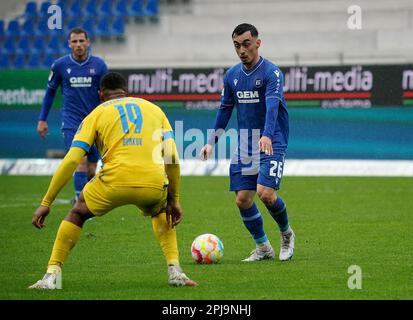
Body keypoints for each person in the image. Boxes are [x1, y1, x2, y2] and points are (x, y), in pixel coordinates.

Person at [29, 72, 197, 289]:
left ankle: (52, 275)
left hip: (113, 182)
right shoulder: (155, 110)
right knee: (161, 210)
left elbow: (72, 160)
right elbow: (172, 159)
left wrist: (46, 203)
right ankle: (175, 271)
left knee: (78, 212)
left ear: (101, 94)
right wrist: (174, 200)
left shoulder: (96, 114)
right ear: (126, 92)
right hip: (152, 182)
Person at [200, 23, 295, 262]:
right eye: (236, 46)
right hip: (246, 143)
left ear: (257, 43)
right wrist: (211, 141)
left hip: (272, 140)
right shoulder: (232, 75)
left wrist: (266, 134)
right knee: (242, 199)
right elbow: (225, 110)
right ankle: (263, 247)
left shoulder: (271, 73)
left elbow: (273, 106)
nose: (241, 50)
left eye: (246, 44)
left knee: (265, 194)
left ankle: (286, 234)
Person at [37, 27, 108, 204]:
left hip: (95, 122)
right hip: (72, 122)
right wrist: (42, 119)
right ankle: (81, 202)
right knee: (80, 162)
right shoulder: (60, 66)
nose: (78, 45)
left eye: (81, 41)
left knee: (92, 168)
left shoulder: (99, 66)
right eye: (74, 42)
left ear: (88, 42)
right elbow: (50, 93)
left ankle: (84, 197)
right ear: (69, 44)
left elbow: (106, 94)